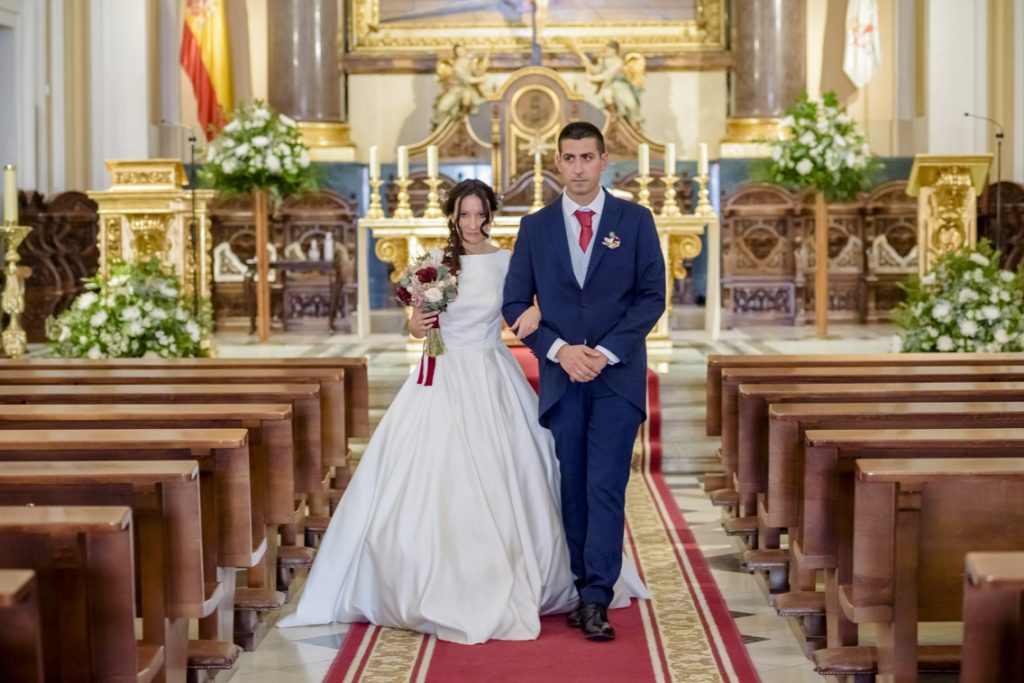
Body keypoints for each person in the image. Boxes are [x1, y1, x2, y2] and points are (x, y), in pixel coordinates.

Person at [278, 178, 647, 645]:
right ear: (452, 216)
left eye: (480, 214)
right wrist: (418, 322)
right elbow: (416, 328)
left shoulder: (508, 261)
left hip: (492, 376)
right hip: (442, 377)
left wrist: (533, 314)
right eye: (464, 214)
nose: (472, 223)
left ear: (490, 216)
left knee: (514, 475)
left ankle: (560, 574)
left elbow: (527, 304)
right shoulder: (434, 265)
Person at [503, 122, 665, 641]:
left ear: (604, 160)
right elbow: (513, 304)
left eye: (586, 157)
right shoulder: (536, 227)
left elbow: (651, 296)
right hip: (561, 375)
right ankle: (580, 586)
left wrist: (606, 352)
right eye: (568, 158)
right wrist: (559, 350)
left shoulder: (635, 221)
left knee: (605, 485)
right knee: (571, 486)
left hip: (616, 377)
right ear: (558, 163)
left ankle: (597, 595)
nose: (577, 168)